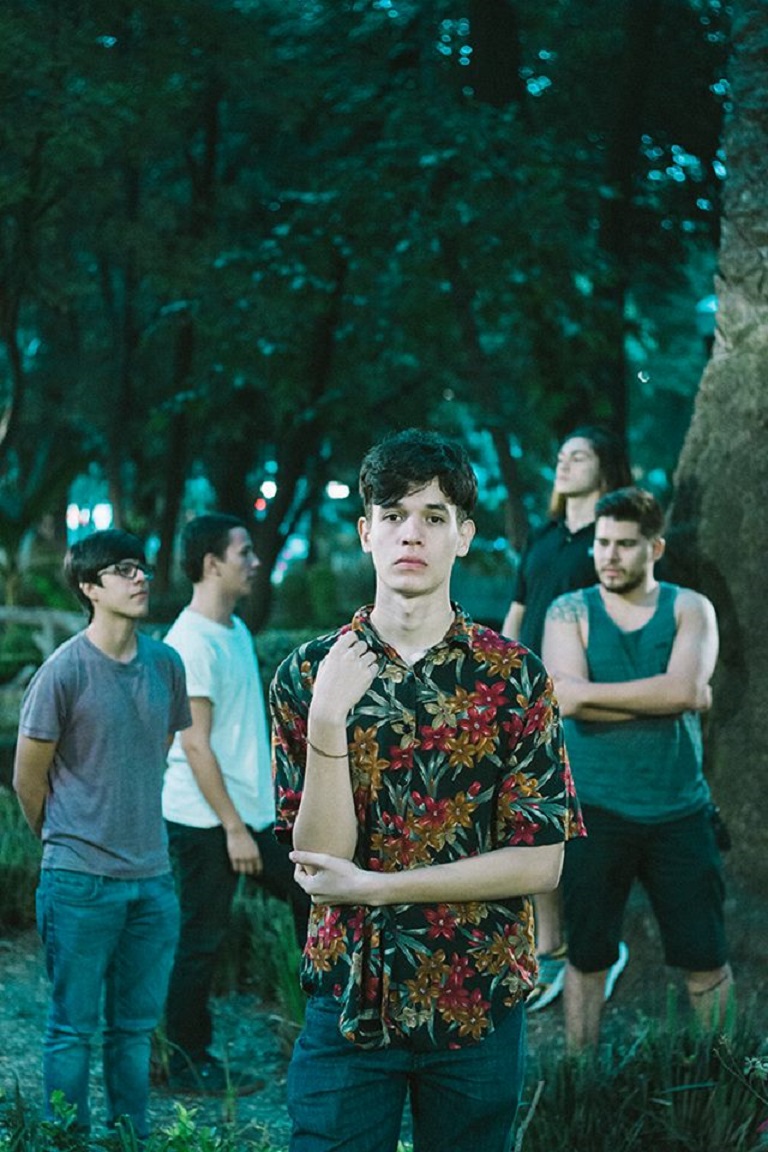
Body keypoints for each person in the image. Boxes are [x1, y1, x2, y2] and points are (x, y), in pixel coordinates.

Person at [270, 428, 583, 1152]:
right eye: (393, 515)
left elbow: (541, 861)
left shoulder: (515, 677)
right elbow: (319, 861)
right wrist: (328, 717)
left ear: (463, 536)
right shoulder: (307, 674)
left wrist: (377, 888)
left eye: (434, 516)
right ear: (366, 533)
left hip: (476, 998)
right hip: (350, 995)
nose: (411, 533)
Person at [13, 530, 190, 1140]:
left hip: (152, 882)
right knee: (72, 1029)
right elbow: (27, 779)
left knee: (134, 1031)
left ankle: (128, 1140)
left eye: (141, 567)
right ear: (90, 587)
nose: (140, 577)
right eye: (123, 569)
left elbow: (154, 754)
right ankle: (65, 1141)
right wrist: (65, 840)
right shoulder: (63, 673)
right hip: (79, 882)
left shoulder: (166, 665)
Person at [541, 487, 733, 1051]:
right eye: (602, 543)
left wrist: (593, 695)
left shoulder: (689, 607)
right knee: (588, 956)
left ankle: (730, 1078)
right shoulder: (569, 610)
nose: (609, 555)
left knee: (706, 959)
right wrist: (669, 695)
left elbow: (685, 689)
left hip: (680, 810)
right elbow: (565, 701)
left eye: (625, 544)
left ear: (655, 548)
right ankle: (581, 1080)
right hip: (595, 810)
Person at [162, 513, 308, 1095]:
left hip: (250, 814)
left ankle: (324, 1026)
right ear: (211, 564)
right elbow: (194, 744)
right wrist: (234, 830)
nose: (255, 562)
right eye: (243, 552)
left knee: (310, 890)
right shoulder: (190, 643)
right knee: (200, 939)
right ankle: (185, 1063)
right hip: (205, 820)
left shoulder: (235, 630)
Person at [501, 425, 633, 1010]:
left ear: (604, 468)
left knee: (575, 828)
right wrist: (500, 674)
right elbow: (517, 610)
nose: (564, 464)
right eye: (561, 456)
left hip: (579, 701)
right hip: (527, 698)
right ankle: (549, 947)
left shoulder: (610, 540)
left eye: (578, 456)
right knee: (529, 819)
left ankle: (599, 947)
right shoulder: (544, 534)